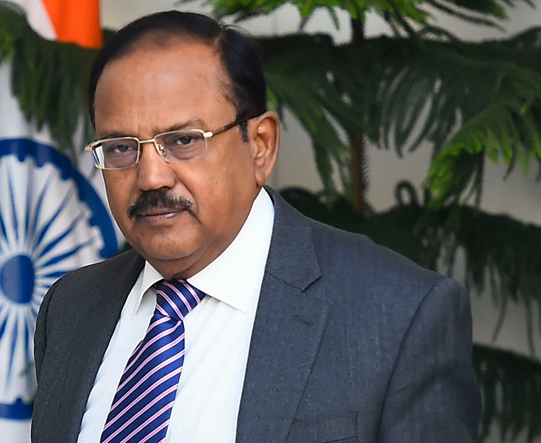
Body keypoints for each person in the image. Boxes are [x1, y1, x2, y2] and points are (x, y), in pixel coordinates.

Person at [31, 10, 481, 443]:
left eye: (183, 140)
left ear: (261, 145)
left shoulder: (397, 317)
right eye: (120, 147)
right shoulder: (71, 307)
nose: (150, 177)